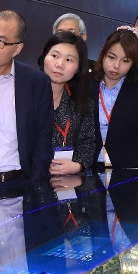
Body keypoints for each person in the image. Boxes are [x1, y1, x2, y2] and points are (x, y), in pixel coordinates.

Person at [0, 10, 54, 195]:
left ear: (17, 49)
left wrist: (33, 184)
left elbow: (43, 139)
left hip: (19, 186)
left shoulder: (36, 82)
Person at [93, 28, 138, 170]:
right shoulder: (85, 84)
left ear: (133, 63)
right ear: (103, 54)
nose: (116, 66)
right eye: (111, 57)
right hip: (87, 167)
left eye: (125, 60)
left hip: (127, 169)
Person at [40, 31, 98, 175]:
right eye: (55, 56)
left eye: (69, 60)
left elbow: (87, 141)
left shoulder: (82, 101)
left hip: (68, 179)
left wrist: (78, 165)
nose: (60, 64)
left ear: (78, 67)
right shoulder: (25, 95)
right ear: (44, 57)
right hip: (28, 177)